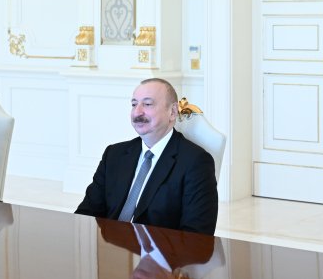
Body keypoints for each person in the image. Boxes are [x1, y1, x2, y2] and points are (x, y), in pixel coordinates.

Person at [75, 78, 218, 235]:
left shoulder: (196, 162)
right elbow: (86, 213)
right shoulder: (114, 154)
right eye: (134, 104)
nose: (137, 112)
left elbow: (197, 235)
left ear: (172, 112)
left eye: (147, 104)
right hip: (110, 246)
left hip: (160, 249)